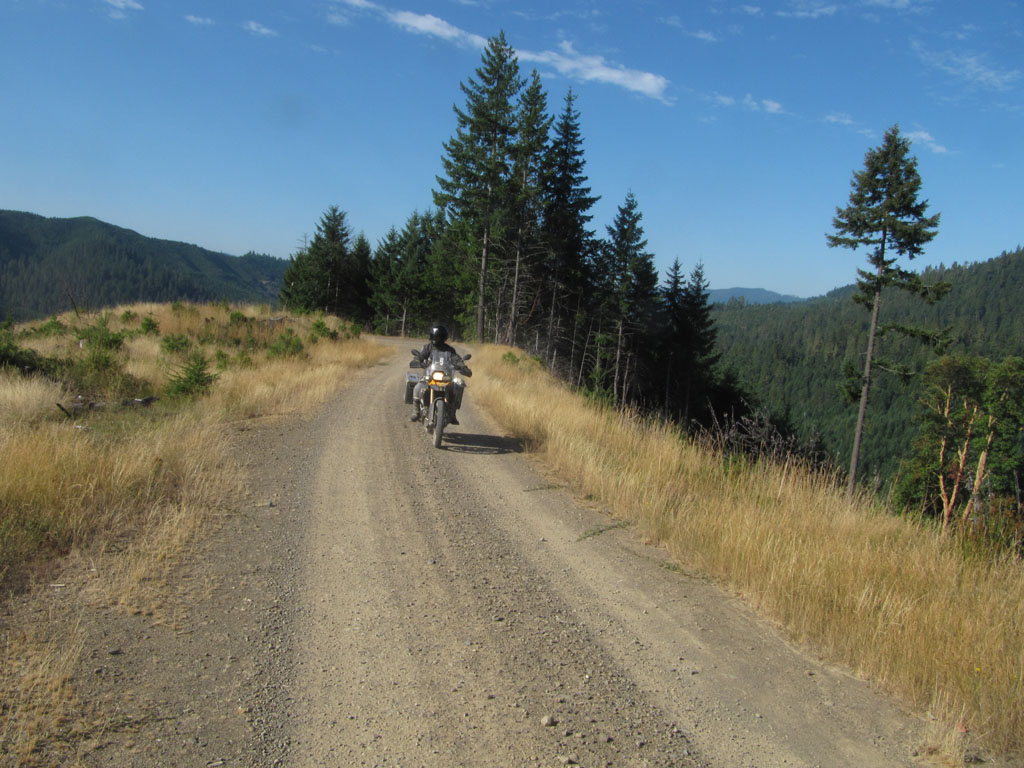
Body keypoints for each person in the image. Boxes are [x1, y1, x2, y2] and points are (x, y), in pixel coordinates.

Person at [409, 325, 471, 424]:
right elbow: (420, 356)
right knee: (417, 387)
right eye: (433, 337)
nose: (435, 339)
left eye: (437, 337)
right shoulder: (427, 347)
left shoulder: (449, 350)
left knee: (458, 387)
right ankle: (416, 412)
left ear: (443, 337)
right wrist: (417, 361)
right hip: (429, 376)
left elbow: (456, 359)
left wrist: (462, 366)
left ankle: (453, 413)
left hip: (445, 377)